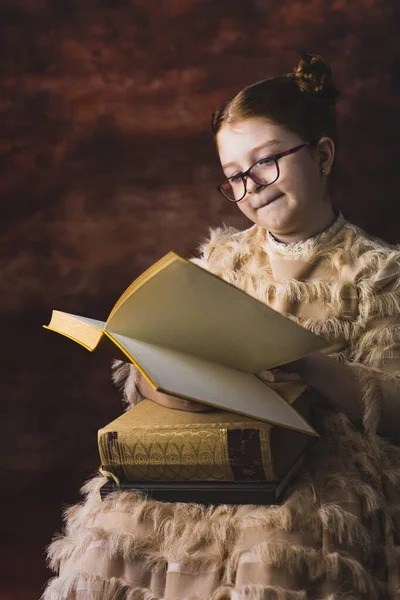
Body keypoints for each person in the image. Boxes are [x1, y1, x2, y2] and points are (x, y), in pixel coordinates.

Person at [43, 54, 400, 599]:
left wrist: (303, 364)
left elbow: (393, 402)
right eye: (234, 176)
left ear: (322, 156)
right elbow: (163, 366)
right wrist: (156, 378)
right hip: (212, 447)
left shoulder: (376, 271)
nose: (251, 185)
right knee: (115, 532)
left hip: (316, 455)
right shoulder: (219, 263)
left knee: (280, 547)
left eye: (266, 162)